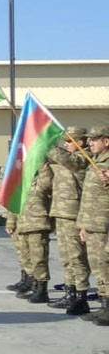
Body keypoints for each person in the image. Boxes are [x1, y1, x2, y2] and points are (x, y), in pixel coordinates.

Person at [45, 128, 91, 314]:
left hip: (74, 214)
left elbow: (68, 161)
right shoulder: (68, 157)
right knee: (66, 258)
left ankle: (81, 296)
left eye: (68, 141)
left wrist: (46, 142)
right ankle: (70, 291)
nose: (65, 144)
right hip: (62, 213)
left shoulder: (83, 158)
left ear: (79, 142)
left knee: (77, 257)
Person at [0, 151, 31, 293]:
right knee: (20, 250)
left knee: (28, 251)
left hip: (27, 215)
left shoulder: (31, 169)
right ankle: (25, 277)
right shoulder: (14, 169)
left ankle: (32, 279)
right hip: (13, 214)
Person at [77, 125, 109, 325]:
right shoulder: (95, 162)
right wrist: (84, 225)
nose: (89, 143)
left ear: (106, 141)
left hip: (105, 225)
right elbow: (89, 197)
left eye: (94, 139)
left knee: (106, 268)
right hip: (93, 225)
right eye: (88, 139)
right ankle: (104, 305)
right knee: (98, 268)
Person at [12, 161, 54, 303]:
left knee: (39, 259)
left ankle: (42, 290)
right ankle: (35, 287)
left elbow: (48, 179)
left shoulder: (41, 182)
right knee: (27, 258)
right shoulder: (23, 184)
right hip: (24, 225)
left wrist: (40, 158)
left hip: (37, 225)